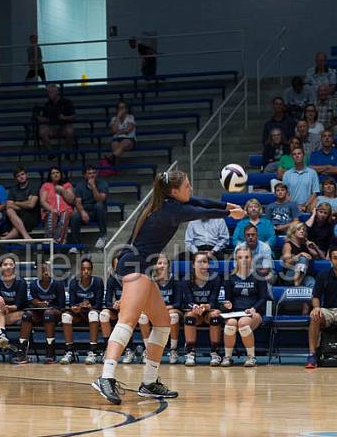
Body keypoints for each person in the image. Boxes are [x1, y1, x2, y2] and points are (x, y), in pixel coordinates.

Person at [91, 171, 244, 403]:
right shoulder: (171, 210)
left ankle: (149, 382)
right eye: (187, 185)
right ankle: (106, 377)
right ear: (174, 191)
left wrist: (228, 205)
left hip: (140, 267)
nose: (190, 188)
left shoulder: (169, 203)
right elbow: (201, 211)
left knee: (162, 323)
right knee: (128, 321)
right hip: (135, 267)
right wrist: (229, 213)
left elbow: (200, 202)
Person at [219, 245, 266, 368]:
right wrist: (227, 304)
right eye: (240, 257)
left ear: (251, 259)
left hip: (253, 312)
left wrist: (254, 308)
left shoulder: (259, 276)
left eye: (247, 257)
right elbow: (227, 300)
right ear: (236, 260)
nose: (244, 260)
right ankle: (228, 357)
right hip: (235, 312)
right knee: (230, 323)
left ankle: (251, 357)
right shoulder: (230, 277)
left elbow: (263, 297)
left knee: (243, 323)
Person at [15, 258, 66, 365]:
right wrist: (38, 303)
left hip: (54, 313)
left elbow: (61, 306)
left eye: (47, 270)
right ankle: (21, 351)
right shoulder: (34, 284)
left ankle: (50, 352)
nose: (45, 273)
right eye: (42, 271)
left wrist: (48, 306)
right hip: (39, 313)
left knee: (48, 313)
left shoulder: (58, 284)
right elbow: (32, 300)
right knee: (27, 315)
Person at [180, 251, 224, 366]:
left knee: (215, 316)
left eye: (205, 262)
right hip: (195, 312)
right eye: (199, 262)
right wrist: (194, 307)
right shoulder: (186, 280)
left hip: (208, 311)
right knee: (189, 317)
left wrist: (207, 306)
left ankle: (215, 353)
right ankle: (190, 353)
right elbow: (188, 300)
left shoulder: (215, 279)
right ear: (194, 265)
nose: (203, 265)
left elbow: (214, 300)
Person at [0, 255, 29, 365]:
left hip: (17, 312)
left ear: (14, 267)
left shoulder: (21, 282)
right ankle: (2, 334)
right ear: (0, 268)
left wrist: (9, 307)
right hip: (1, 312)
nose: (8, 267)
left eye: (11, 264)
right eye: (5, 265)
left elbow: (19, 304)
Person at [62, 257, 104, 365]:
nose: (86, 271)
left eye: (88, 269)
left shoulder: (98, 282)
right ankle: (69, 351)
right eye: (83, 269)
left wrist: (90, 306)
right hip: (79, 314)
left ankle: (93, 352)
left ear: (92, 270)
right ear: (80, 270)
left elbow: (98, 305)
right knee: (66, 316)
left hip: (92, 312)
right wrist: (78, 306)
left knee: (93, 314)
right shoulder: (73, 283)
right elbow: (72, 304)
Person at [69, 165, 110, 250]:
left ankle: (103, 236)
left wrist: (94, 186)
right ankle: (77, 245)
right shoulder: (80, 185)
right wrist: (83, 212)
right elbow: (78, 202)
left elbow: (100, 199)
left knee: (99, 205)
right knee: (74, 216)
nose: (92, 175)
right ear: (85, 175)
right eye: (89, 173)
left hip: (98, 211)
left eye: (94, 173)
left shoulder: (102, 184)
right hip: (86, 211)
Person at [2, 166, 41, 241]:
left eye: (22, 174)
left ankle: (3, 239)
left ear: (26, 175)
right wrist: (26, 203)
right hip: (17, 215)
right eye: (18, 176)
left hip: (31, 215)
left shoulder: (34, 187)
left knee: (17, 224)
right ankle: (26, 236)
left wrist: (16, 202)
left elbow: (31, 205)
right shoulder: (13, 189)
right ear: (16, 179)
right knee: (9, 210)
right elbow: (9, 205)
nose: (21, 177)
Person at [40, 166, 74, 248]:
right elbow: (42, 201)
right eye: (53, 173)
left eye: (57, 172)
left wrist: (62, 190)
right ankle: (48, 240)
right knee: (52, 214)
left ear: (61, 174)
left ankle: (58, 241)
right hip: (50, 210)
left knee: (65, 213)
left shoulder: (67, 185)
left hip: (65, 210)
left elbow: (71, 200)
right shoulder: (46, 185)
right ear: (50, 176)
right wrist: (52, 209)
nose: (55, 175)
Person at [280, 221, 321, 287]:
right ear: (293, 231)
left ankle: (298, 283)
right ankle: (297, 283)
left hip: (304, 276)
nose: (302, 231)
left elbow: (317, 256)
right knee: (303, 258)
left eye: (303, 230)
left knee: (312, 283)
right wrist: (300, 255)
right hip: (290, 275)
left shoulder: (304, 246)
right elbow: (287, 263)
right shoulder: (287, 245)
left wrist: (313, 246)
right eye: (299, 229)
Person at [39, 84, 76, 152]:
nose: (49, 94)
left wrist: (64, 118)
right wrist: (41, 119)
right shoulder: (47, 105)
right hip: (52, 127)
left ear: (56, 92)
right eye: (48, 93)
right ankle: (51, 152)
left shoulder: (67, 102)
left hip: (64, 126)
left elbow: (73, 116)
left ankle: (69, 152)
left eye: (50, 92)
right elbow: (45, 118)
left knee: (70, 131)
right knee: (42, 131)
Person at [283, 147, 320, 213]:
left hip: (309, 207)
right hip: (291, 208)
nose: (297, 156)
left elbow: (315, 192)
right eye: (294, 154)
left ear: (303, 156)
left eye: (299, 153)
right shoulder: (287, 174)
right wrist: (296, 206)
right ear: (292, 157)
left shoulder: (312, 173)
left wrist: (305, 205)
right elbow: (285, 194)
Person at [106, 100, 136, 167]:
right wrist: (118, 117)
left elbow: (128, 130)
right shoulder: (114, 119)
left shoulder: (130, 117)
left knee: (124, 143)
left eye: (123, 107)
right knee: (114, 144)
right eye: (120, 108)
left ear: (126, 109)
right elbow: (114, 130)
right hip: (116, 138)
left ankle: (111, 157)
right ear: (117, 109)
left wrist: (118, 132)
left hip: (129, 139)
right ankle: (115, 167)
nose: (121, 109)